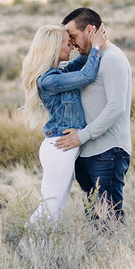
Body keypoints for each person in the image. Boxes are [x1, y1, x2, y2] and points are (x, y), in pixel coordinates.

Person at [19, 23, 109, 226]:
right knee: (51, 207)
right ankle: (27, 246)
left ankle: (38, 250)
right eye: (67, 44)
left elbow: (81, 64)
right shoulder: (49, 80)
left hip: (63, 147)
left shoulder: (59, 73)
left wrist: (89, 41)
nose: (71, 46)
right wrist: (94, 48)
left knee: (55, 208)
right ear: (53, 48)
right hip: (60, 146)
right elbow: (87, 75)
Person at [53, 7, 133, 222]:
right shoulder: (92, 58)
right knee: (95, 219)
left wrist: (82, 136)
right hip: (87, 151)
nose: (71, 43)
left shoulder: (112, 59)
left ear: (90, 30)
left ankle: (122, 256)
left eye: (73, 36)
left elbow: (116, 107)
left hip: (108, 152)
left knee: (109, 219)